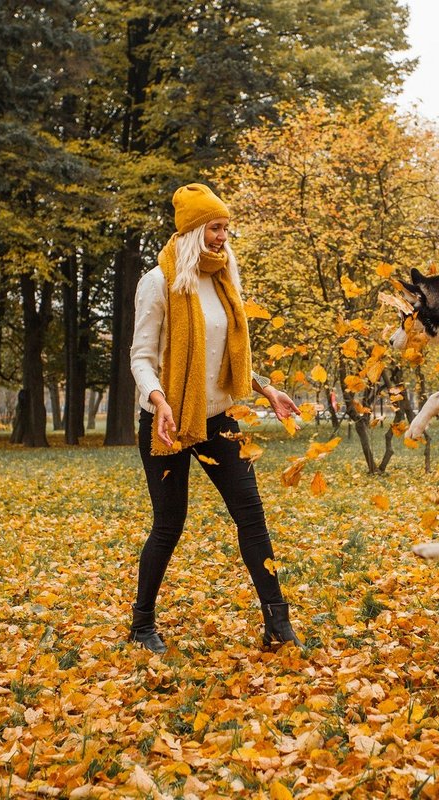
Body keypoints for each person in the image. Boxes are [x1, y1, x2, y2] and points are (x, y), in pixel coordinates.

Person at [127, 182, 303, 654]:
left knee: (252, 515)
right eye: (215, 228)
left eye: (226, 228)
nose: (224, 236)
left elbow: (229, 353)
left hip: (219, 418)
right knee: (169, 524)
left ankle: (277, 624)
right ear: (192, 231)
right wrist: (160, 400)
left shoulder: (224, 278)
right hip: (167, 421)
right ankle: (142, 625)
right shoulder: (158, 282)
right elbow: (141, 357)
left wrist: (265, 388)